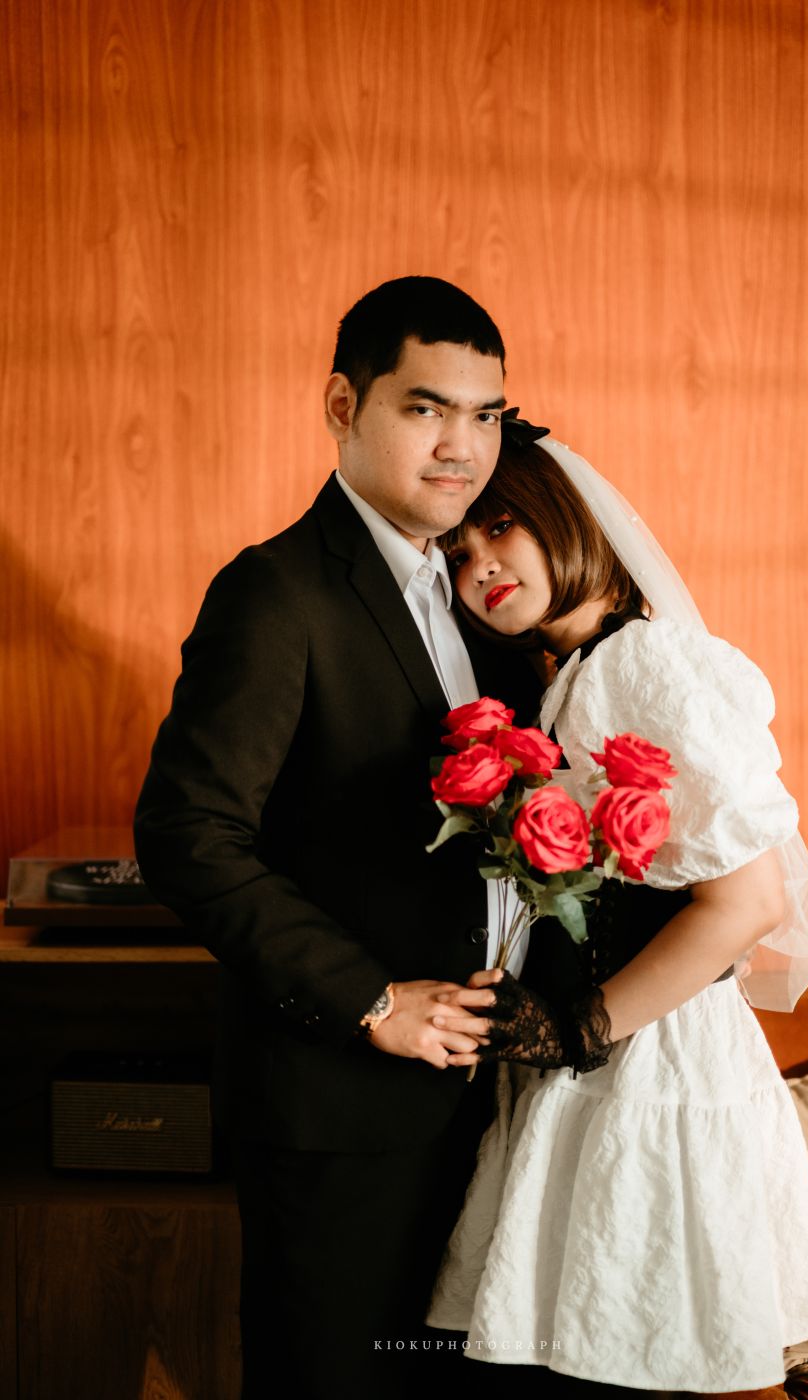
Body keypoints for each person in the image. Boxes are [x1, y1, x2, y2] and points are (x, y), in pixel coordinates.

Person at [133, 276, 542, 1399]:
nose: (461, 446)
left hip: (490, 1100)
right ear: (341, 405)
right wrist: (371, 999)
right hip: (337, 1107)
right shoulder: (274, 592)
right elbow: (189, 835)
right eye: (425, 408)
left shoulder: (489, 599)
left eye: (484, 414)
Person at [425, 430, 808, 1393]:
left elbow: (748, 900)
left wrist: (582, 1026)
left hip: (646, 1048)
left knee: (630, 1352)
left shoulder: (638, 662)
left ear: (565, 520)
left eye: (501, 525)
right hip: (605, 1046)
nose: (479, 564)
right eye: (456, 549)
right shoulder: (576, 673)